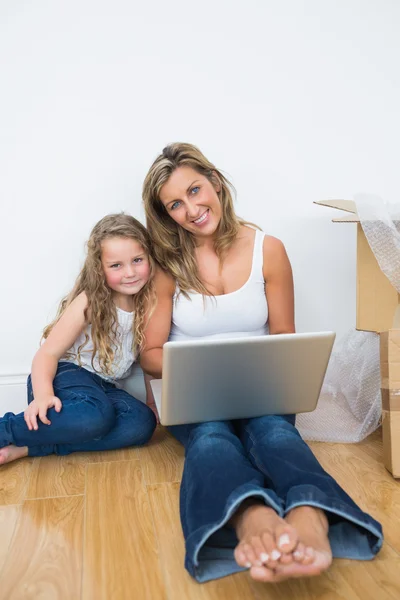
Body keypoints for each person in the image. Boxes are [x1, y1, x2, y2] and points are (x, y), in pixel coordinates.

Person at [140, 143, 383, 584]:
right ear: (167, 214)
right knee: (211, 439)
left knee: (273, 432)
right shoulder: (167, 266)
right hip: (195, 395)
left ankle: (311, 513)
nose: (191, 209)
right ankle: (251, 516)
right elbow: (150, 354)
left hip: (262, 387)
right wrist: (197, 368)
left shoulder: (268, 249)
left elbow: (283, 336)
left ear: (215, 182)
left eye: (195, 190)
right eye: (175, 204)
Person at [0, 214, 157, 465]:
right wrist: (43, 395)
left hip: (103, 387)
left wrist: (152, 400)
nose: (130, 273)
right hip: (65, 377)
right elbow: (47, 354)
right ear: (99, 269)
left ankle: (30, 448)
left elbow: (151, 355)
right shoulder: (90, 302)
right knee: (95, 416)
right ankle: (6, 429)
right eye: (116, 265)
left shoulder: (149, 303)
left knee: (142, 423)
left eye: (137, 260)